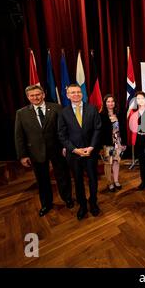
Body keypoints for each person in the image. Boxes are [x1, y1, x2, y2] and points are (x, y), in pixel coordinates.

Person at [14, 85, 73, 217]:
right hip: (35, 152)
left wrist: (65, 146)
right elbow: (19, 136)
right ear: (28, 97)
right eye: (32, 95)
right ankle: (46, 204)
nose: (35, 97)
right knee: (42, 179)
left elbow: (64, 129)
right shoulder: (21, 113)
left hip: (57, 150)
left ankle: (67, 198)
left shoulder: (56, 107)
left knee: (63, 175)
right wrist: (22, 155)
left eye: (38, 94)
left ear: (43, 94)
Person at [58, 84, 102, 220]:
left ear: (82, 94)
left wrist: (91, 147)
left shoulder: (92, 109)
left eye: (78, 92)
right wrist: (74, 149)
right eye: (73, 92)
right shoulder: (63, 112)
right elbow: (62, 134)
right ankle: (82, 205)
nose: (76, 94)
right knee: (77, 180)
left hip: (90, 152)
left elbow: (97, 129)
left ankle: (93, 203)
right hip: (74, 154)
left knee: (93, 179)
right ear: (68, 95)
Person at [127, 91, 145, 191]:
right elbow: (131, 127)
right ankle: (143, 181)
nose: (140, 100)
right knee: (141, 161)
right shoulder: (132, 112)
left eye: (142, 98)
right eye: (138, 99)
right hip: (138, 138)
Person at [100, 94, 126, 193]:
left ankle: (116, 180)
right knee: (108, 163)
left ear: (115, 103)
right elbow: (100, 131)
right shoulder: (101, 115)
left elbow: (123, 130)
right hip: (107, 143)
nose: (111, 103)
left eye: (112, 101)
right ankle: (109, 182)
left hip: (118, 143)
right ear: (105, 103)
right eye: (108, 101)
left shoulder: (120, 114)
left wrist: (123, 143)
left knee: (116, 162)